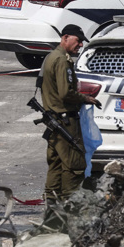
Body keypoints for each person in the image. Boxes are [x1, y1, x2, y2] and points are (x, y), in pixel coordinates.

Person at [41, 24, 97, 200]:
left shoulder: (50, 57)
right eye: (78, 41)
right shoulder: (62, 60)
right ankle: (70, 209)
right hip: (65, 123)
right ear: (65, 38)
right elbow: (66, 93)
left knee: (56, 165)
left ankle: (52, 212)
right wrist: (85, 98)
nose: (80, 45)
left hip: (54, 121)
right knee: (74, 165)